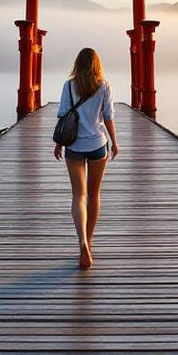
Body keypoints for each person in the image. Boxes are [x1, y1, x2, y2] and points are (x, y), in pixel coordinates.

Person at [53, 47, 119, 269]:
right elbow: (108, 117)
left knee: (78, 195)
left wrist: (58, 143)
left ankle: (81, 241)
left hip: (74, 145)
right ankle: (89, 241)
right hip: (98, 145)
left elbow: (63, 114)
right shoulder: (104, 86)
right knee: (94, 195)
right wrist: (115, 142)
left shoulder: (69, 86)